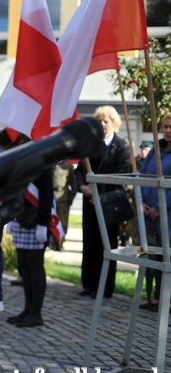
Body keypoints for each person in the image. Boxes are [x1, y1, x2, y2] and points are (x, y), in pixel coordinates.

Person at [74, 106, 131, 299]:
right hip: (89, 201)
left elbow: (123, 173)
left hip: (108, 203)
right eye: (99, 122)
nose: (102, 125)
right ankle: (89, 283)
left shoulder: (120, 146)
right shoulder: (90, 146)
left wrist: (98, 186)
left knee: (106, 244)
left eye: (106, 121)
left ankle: (105, 287)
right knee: (90, 243)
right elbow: (79, 172)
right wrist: (83, 187)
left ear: (114, 124)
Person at [5, 157, 56, 328]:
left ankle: (36, 313)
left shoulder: (43, 163)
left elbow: (46, 194)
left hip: (36, 220)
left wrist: (43, 222)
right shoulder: (21, 162)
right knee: (24, 265)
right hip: (22, 218)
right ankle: (27, 309)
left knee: (35, 266)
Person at [139, 115, 171, 311]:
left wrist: (161, 206)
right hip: (148, 212)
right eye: (165, 126)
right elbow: (143, 175)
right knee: (152, 256)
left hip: (167, 214)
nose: (168, 130)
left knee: (168, 255)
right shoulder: (155, 151)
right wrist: (142, 201)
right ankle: (155, 297)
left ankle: (167, 299)